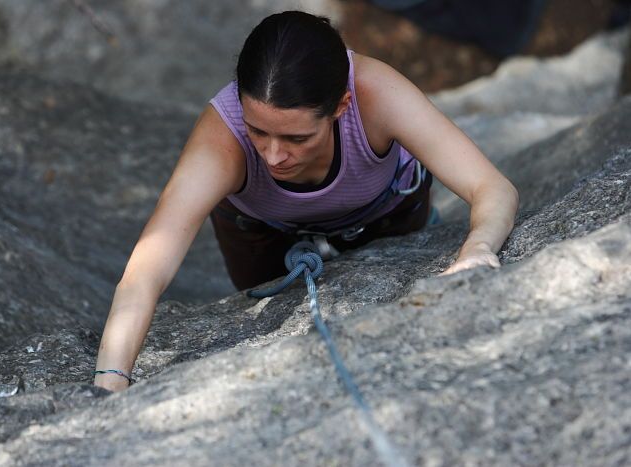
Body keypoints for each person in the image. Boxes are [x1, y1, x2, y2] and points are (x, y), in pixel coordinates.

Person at [93, 11, 518, 392]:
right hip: (261, 228)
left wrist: (478, 248)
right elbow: (147, 269)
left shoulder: (378, 94)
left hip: (385, 209)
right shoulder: (222, 133)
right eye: (257, 131)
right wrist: (110, 381)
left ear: (341, 106)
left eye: (296, 137)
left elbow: (492, 187)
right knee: (260, 296)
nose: (273, 155)